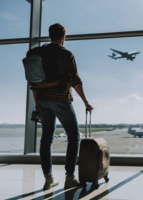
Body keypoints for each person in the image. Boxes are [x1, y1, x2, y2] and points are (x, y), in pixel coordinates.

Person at [29, 23, 93, 190]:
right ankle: (70, 177)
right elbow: (75, 81)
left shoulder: (38, 53)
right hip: (61, 98)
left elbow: (33, 82)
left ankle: (48, 179)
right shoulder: (66, 54)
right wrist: (86, 102)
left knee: (46, 139)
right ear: (63, 37)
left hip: (43, 100)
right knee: (74, 137)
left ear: (50, 36)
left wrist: (37, 104)